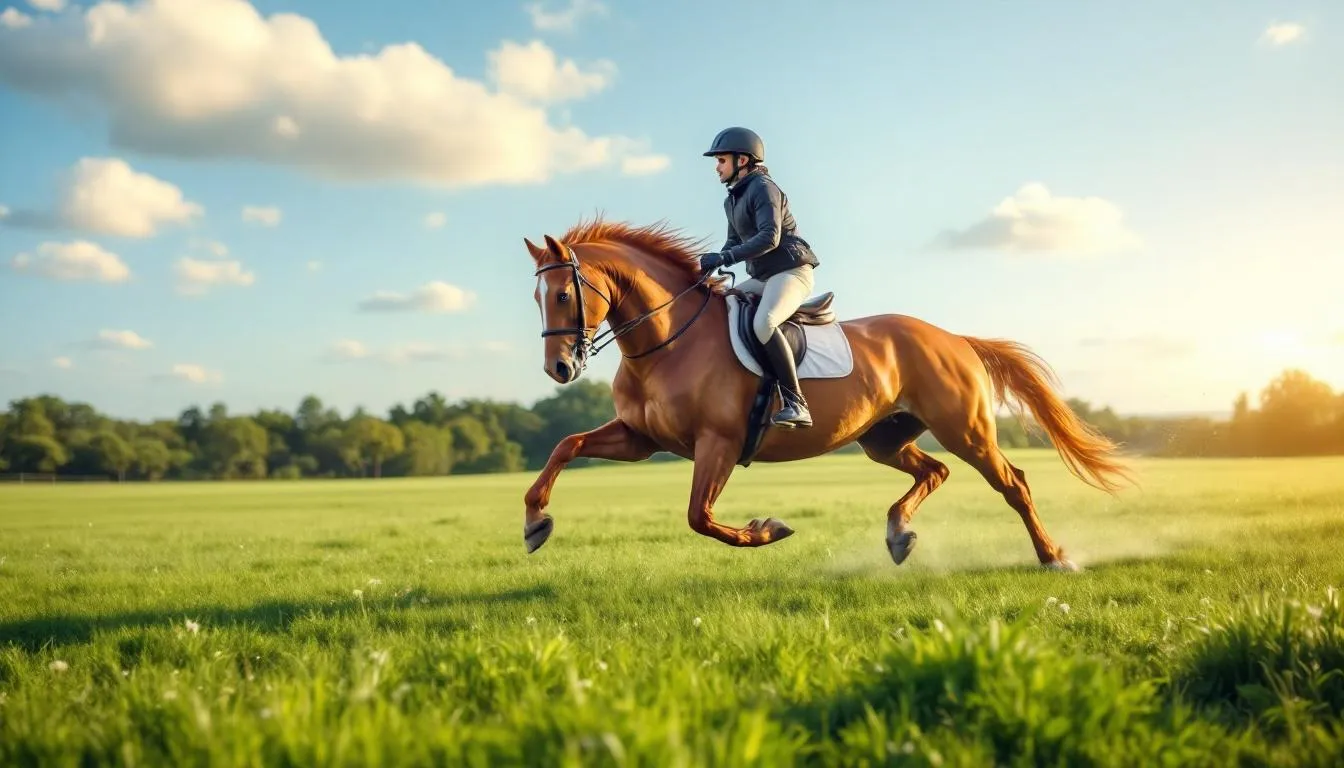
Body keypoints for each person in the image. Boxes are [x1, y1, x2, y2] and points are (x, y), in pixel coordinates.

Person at [697, 127, 820, 429]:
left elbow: (770, 237)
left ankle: (796, 401)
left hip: (791, 271)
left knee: (763, 323)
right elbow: (732, 242)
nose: (717, 167)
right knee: (721, 305)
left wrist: (725, 258)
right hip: (764, 276)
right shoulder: (732, 200)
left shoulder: (764, 188)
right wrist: (706, 266)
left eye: (721, 160)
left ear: (742, 160)